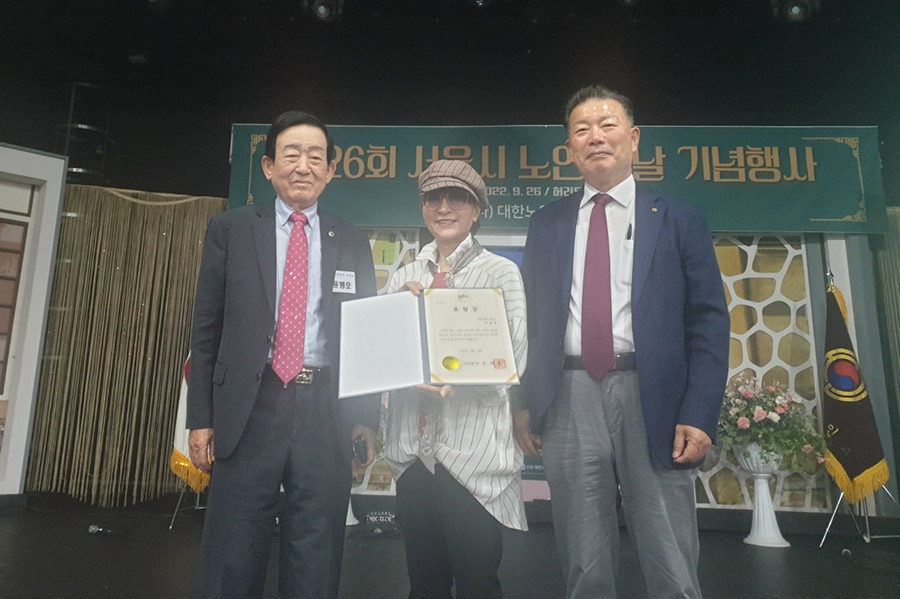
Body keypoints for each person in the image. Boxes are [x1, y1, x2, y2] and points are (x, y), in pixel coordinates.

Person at [514, 86, 730, 598]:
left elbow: (708, 321)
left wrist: (699, 412)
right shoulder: (546, 222)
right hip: (568, 395)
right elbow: (532, 322)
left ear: (633, 139)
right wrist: (525, 403)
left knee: (669, 554)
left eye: (607, 125)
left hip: (654, 395)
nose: (596, 137)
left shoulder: (679, 218)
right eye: (582, 130)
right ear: (569, 149)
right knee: (583, 555)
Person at [186, 111, 379, 599]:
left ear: (330, 171)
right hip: (249, 407)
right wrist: (201, 418)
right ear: (269, 166)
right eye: (291, 154)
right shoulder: (230, 230)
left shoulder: (351, 238)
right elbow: (207, 331)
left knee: (316, 550)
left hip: (324, 410)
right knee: (232, 549)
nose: (303, 165)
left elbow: (366, 335)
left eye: (316, 156)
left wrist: (365, 417)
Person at [383, 160, 528, 599]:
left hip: (473, 456)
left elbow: (515, 357)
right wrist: (395, 313)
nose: (443, 208)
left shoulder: (500, 273)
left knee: (477, 583)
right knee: (423, 585)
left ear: (477, 209)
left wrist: (461, 377)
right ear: (423, 207)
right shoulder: (404, 276)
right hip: (412, 455)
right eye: (433, 198)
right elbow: (380, 355)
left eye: (457, 198)